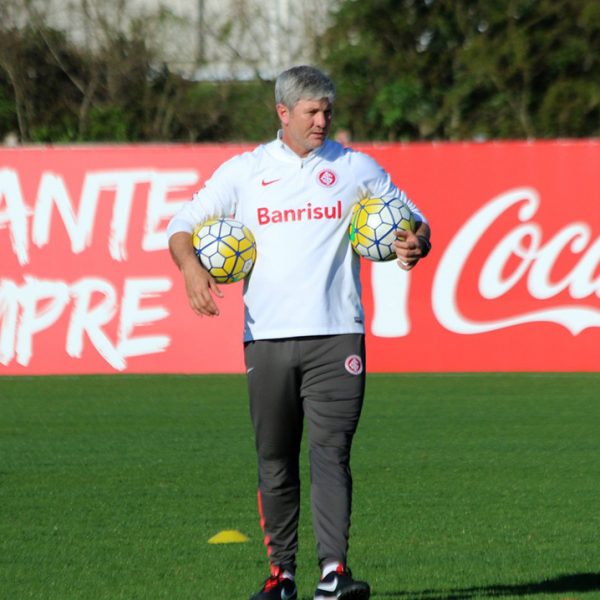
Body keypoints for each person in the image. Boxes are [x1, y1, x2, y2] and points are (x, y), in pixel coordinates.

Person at [167, 65, 431, 600]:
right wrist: (192, 268)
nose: (322, 120)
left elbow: (415, 220)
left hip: (338, 335)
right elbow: (180, 227)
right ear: (282, 113)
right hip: (265, 338)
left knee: (332, 453)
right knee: (275, 457)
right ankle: (281, 576)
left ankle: (333, 573)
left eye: (327, 111)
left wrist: (415, 243)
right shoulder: (244, 171)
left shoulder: (356, 167)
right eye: (311, 111)